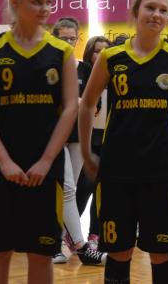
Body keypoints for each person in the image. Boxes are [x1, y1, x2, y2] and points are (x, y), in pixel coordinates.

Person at [78, 0, 168, 284]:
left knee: (161, 252)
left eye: (163, 10)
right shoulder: (111, 57)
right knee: (119, 251)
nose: (157, 14)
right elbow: (87, 104)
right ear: (135, 12)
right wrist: (86, 152)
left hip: (160, 169)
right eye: (150, 7)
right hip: (117, 169)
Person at [0, 0, 79, 283]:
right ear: (15, 2)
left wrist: (46, 160)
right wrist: (4, 160)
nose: (45, 9)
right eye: (37, 2)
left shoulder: (61, 52)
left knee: (41, 255)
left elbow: (71, 108)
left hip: (44, 168)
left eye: (49, 2)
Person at [50, 17, 106, 265]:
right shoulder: (48, 66)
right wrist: (76, 102)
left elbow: (94, 104)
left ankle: (61, 242)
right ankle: (76, 245)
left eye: (73, 38)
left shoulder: (83, 68)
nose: (69, 42)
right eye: (64, 38)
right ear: (54, 37)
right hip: (53, 134)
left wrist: (84, 104)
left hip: (78, 135)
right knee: (65, 189)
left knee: (68, 190)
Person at [74, 35, 110, 250]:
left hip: (108, 140)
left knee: (101, 190)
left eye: (105, 50)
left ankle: (95, 234)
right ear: (89, 53)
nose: (101, 54)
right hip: (86, 139)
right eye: (97, 50)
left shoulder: (115, 77)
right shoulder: (83, 74)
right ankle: (70, 234)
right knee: (83, 187)